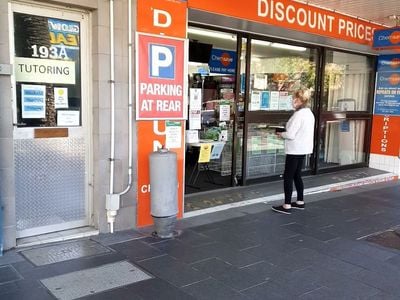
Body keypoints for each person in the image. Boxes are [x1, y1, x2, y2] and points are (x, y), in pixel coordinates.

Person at [272, 89, 315, 214]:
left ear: (300, 100)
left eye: (294, 98)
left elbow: (290, 134)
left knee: (288, 176)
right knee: (297, 175)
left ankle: (287, 205)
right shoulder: (309, 113)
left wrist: (281, 134)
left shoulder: (298, 115)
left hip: (294, 149)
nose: (292, 101)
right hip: (303, 149)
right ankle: (300, 201)